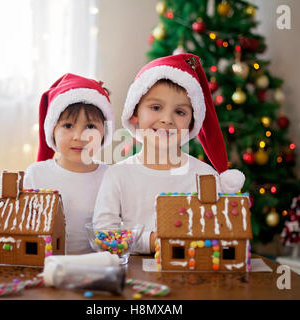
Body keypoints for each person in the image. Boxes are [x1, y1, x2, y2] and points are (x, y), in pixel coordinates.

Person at [93, 53, 245, 254]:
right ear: (135, 113)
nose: (167, 119)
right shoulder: (118, 175)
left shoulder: (205, 176)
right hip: (132, 275)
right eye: (156, 107)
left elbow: (218, 230)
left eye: (180, 112)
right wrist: (153, 240)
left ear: (192, 122)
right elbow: (103, 234)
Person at [24, 73, 114, 253]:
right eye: (68, 126)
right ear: (52, 130)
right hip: (46, 268)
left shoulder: (110, 176)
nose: (79, 136)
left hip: (95, 268)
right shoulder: (37, 174)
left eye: (90, 127)